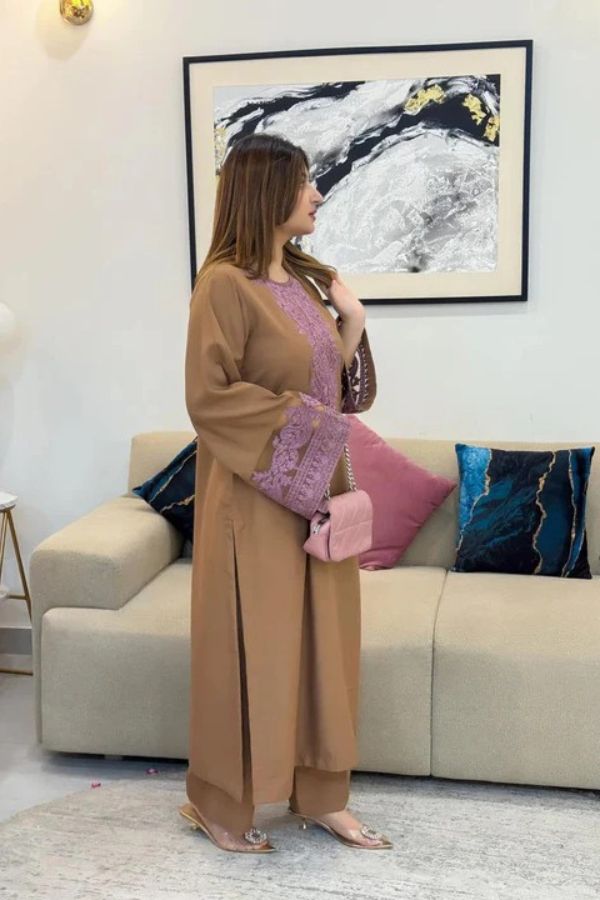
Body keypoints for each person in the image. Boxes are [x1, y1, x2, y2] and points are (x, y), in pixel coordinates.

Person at [178, 132, 392, 853]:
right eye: (306, 183)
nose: (318, 194)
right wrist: (307, 440)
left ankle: (323, 795)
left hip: (317, 494)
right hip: (254, 501)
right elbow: (211, 399)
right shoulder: (222, 286)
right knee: (252, 649)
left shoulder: (302, 282)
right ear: (268, 191)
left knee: (324, 647)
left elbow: (330, 387)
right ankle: (218, 804)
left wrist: (352, 322)